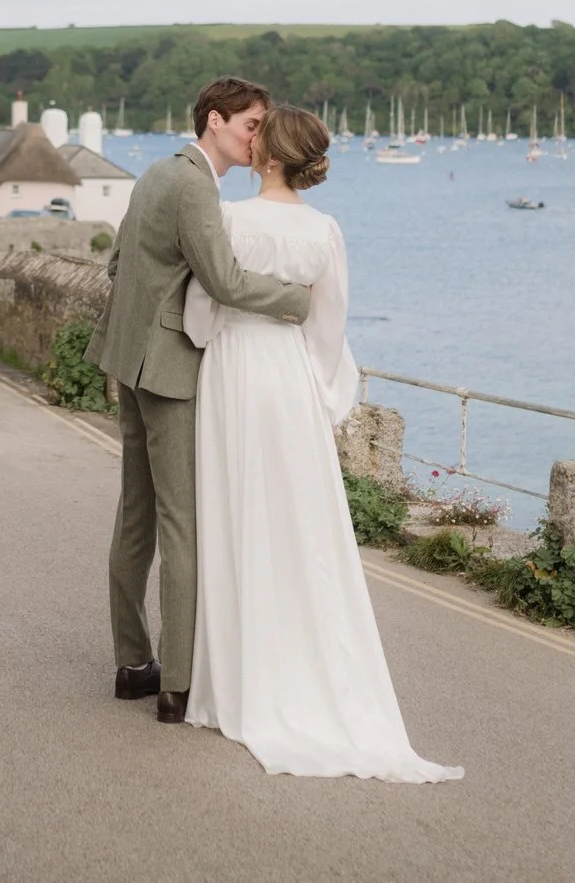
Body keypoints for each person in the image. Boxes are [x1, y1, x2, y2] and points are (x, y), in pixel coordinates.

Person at [181, 105, 461, 782]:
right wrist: (324, 392)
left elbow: (198, 315)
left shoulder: (229, 218)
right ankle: (309, 668)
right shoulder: (325, 229)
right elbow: (329, 327)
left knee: (235, 513)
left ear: (267, 156)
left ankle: (237, 681)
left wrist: (220, 336)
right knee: (300, 523)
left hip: (235, 372)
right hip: (291, 377)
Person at [88, 77, 311, 724]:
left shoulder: (157, 171)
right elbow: (224, 279)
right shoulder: (194, 185)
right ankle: (177, 683)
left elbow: (117, 262)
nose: (257, 138)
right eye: (250, 124)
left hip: (128, 361)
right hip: (167, 371)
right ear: (215, 120)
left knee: (136, 516)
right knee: (180, 523)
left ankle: (133, 663)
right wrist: (296, 299)